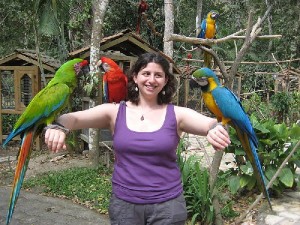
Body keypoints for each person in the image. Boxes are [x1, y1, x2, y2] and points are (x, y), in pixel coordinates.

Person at [45, 52, 231, 225]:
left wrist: (215, 129)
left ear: (166, 80)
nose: (151, 80)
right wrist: (58, 126)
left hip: (167, 207)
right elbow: (74, 118)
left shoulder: (177, 114)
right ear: (135, 77)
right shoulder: (115, 111)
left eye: (158, 75)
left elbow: (209, 123)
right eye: (146, 73)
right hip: (125, 206)